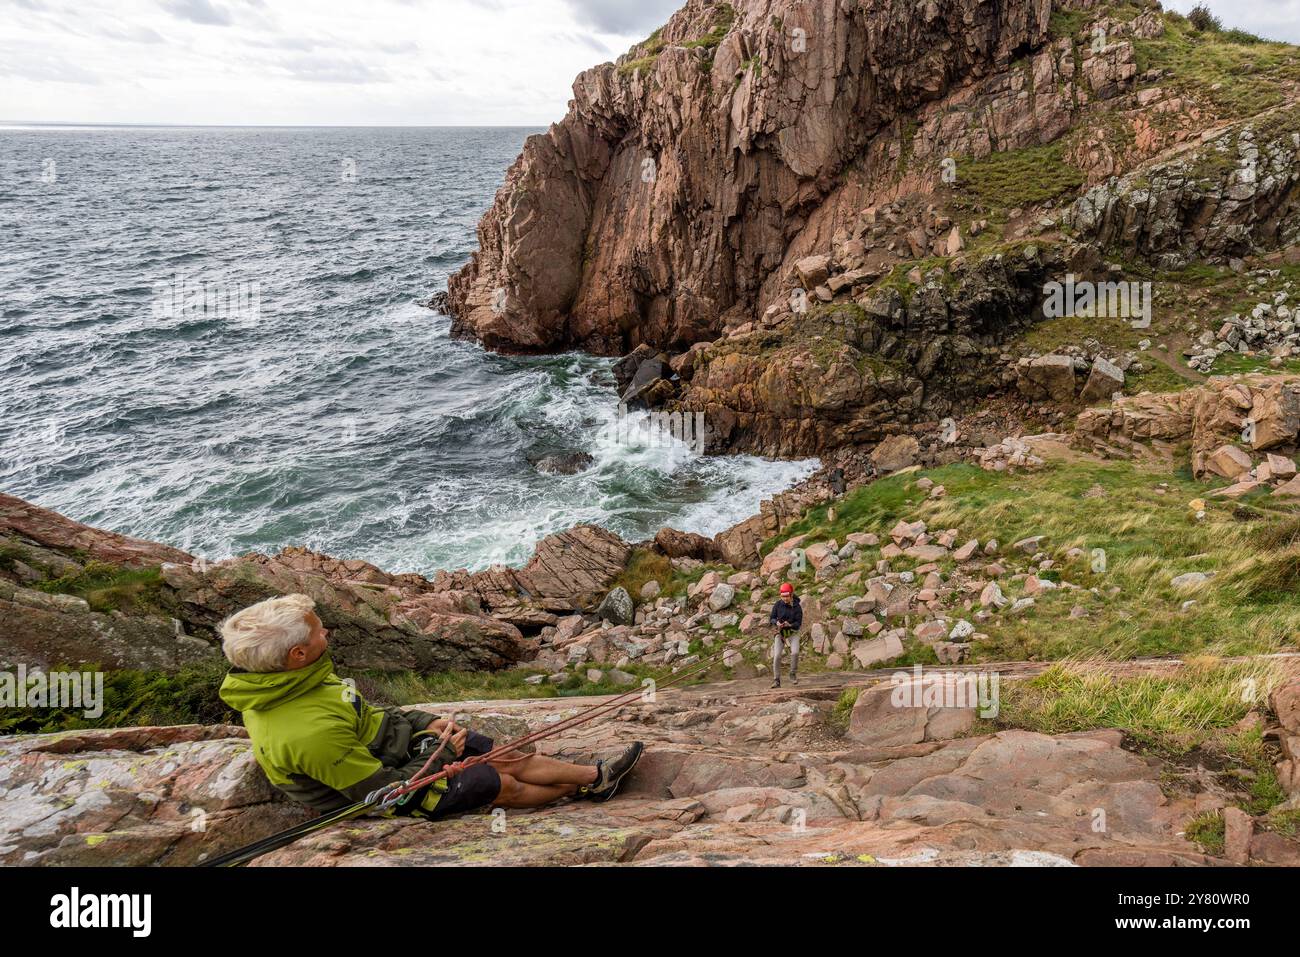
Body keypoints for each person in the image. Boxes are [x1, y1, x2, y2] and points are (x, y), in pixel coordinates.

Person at [217, 593, 643, 820]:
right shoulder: (305, 732)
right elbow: (382, 794)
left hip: (402, 751)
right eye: (318, 632)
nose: (326, 632)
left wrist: (427, 722)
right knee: (499, 782)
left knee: (506, 755)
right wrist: (437, 753)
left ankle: (597, 777)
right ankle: (578, 791)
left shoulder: (297, 677)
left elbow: (367, 716)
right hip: (394, 789)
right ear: (297, 654)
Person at [768, 582, 803, 688]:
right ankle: (776, 680)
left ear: (791, 595)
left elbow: (798, 623)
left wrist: (790, 625)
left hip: (793, 632)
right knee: (777, 656)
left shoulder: (797, 607)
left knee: (795, 652)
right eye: (783, 596)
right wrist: (776, 622)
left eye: (787, 596)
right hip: (780, 632)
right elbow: (772, 618)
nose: (785, 599)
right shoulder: (778, 605)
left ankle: (792, 674)